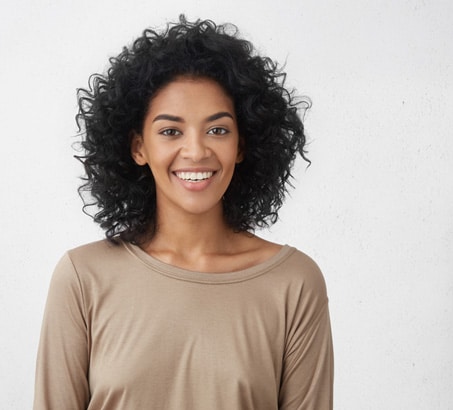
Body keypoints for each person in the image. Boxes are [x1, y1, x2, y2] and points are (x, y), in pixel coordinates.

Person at [34, 16, 333, 410]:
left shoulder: (293, 284)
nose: (196, 151)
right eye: (171, 131)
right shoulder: (83, 278)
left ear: (243, 145)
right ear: (138, 147)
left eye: (218, 130)